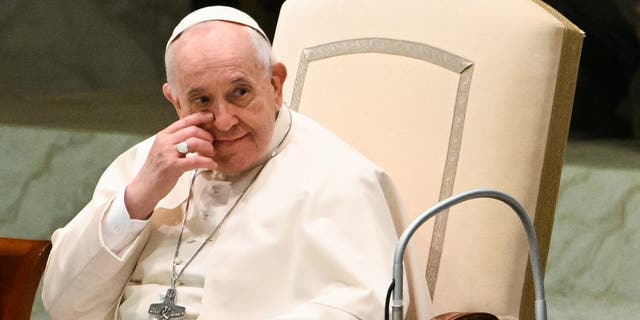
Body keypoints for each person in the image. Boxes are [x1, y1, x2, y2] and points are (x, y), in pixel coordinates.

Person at [42, 6, 408, 319]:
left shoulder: (338, 176)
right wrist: (136, 200)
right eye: (201, 100)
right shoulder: (145, 163)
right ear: (175, 103)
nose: (224, 121)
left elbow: (365, 307)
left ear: (275, 85)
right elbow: (63, 304)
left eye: (240, 93)